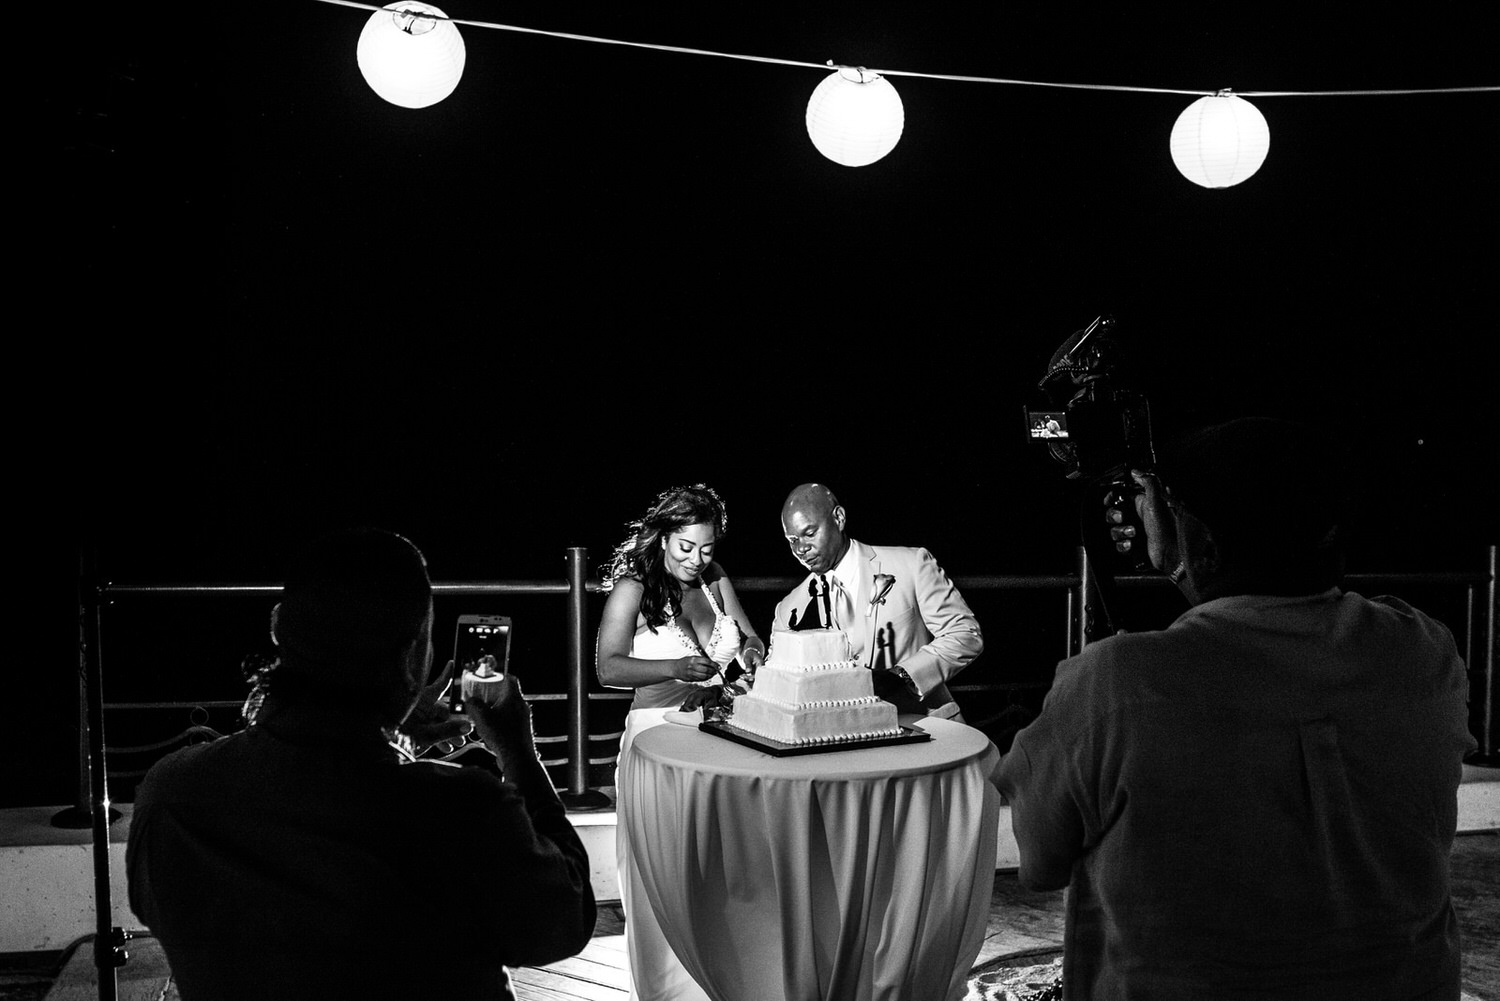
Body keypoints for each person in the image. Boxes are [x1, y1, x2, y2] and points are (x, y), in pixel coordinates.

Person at [994, 417, 1477, 1000]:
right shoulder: (1423, 649)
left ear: (1202, 540)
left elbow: (1040, 862)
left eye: (1164, 507)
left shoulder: (1115, 682)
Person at [127, 527, 596, 1001]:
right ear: (416, 653)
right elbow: (565, 919)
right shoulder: (461, 809)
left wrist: (399, 740)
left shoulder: (172, 793)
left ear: (278, 626)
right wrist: (517, 752)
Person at [595, 483, 763, 1001]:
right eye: (686, 547)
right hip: (657, 739)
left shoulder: (714, 580)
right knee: (666, 874)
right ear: (664, 536)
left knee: (723, 871)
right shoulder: (633, 587)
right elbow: (607, 667)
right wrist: (674, 666)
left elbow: (750, 636)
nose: (696, 559)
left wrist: (752, 654)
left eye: (707, 548)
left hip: (718, 731)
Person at [774, 482, 983, 720]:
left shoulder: (912, 564)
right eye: (792, 540)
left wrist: (903, 677)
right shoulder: (789, 608)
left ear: (839, 518)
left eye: (810, 534)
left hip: (925, 729)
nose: (801, 549)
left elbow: (965, 634)